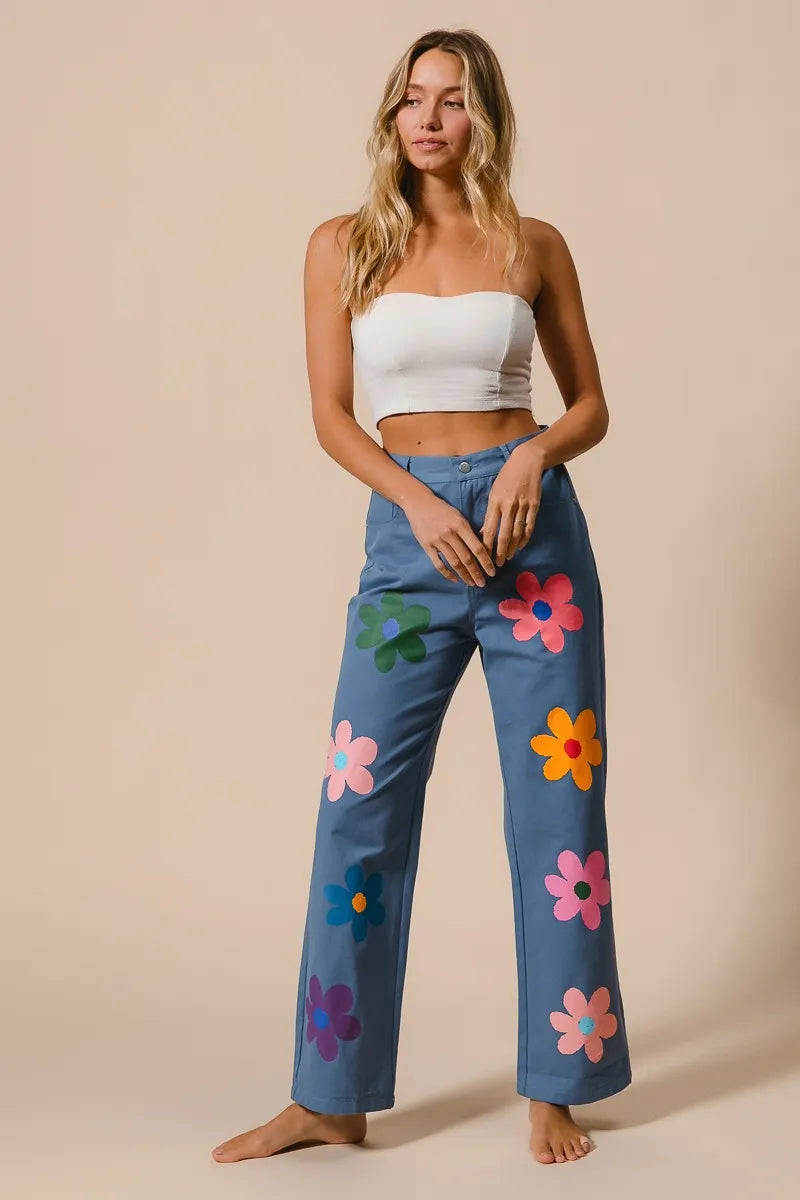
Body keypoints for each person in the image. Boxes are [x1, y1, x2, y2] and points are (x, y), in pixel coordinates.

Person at [212, 26, 632, 1168]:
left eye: (451, 99)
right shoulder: (342, 244)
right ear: (391, 115)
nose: (429, 119)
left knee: (558, 818)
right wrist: (416, 502)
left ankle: (559, 1084)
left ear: (483, 116)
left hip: (533, 542)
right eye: (412, 99)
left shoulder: (532, 243)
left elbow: (590, 404)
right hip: (411, 544)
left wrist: (532, 456)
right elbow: (330, 415)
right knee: (358, 808)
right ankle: (329, 1094)